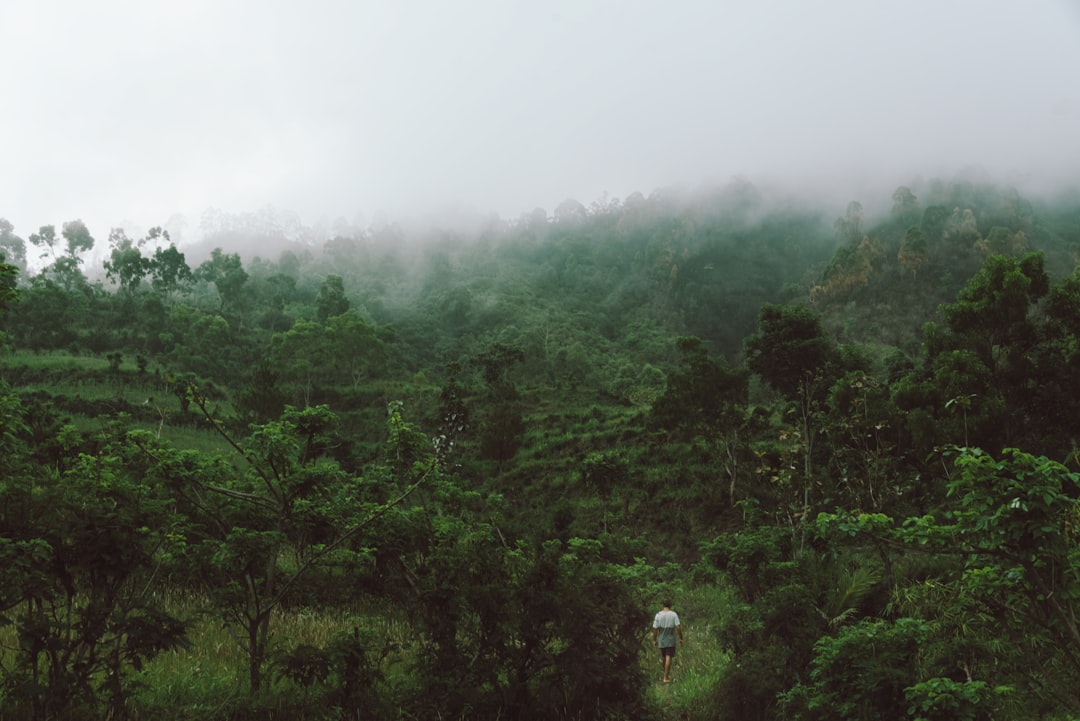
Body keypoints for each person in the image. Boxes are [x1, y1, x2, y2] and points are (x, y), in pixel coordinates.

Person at [652, 599, 684, 683]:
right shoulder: (673, 614)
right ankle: (665, 677)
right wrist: (681, 638)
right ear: (670, 605)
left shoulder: (658, 615)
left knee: (664, 657)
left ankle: (665, 674)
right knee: (668, 656)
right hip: (670, 637)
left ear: (663, 605)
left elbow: (655, 629)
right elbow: (678, 627)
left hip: (661, 637)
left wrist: (654, 639)